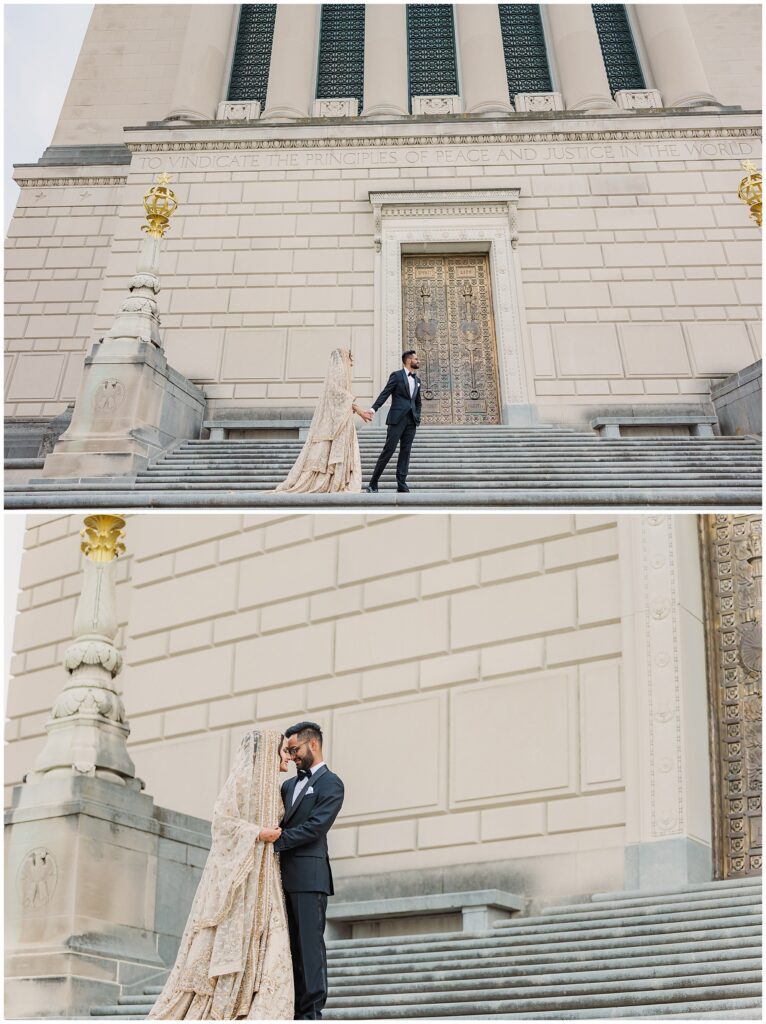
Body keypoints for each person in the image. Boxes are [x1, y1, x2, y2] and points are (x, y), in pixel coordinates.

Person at [148, 731, 294, 1020]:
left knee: (274, 948)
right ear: (268, 751)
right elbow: (222, 823)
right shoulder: (241, 782)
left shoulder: (276, 789)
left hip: (267, 880)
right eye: (284, 751)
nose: (288, 756)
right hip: (242, 882)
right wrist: (257, 833)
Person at [274, 722, 345, 1021]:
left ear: (312, 745)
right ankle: (290, 1009)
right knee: (287, 948)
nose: (292, 757)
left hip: (309, 877)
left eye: (295, 749)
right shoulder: (288, 786)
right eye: (288, 751)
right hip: (279, 879)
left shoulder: (332, 784)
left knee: (309, 948)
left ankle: (311, 1012)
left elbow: (316, 827)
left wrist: (277, 840)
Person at [274, 348, 372, 494]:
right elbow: (339, 395)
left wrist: (357, 410)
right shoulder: (335, 382)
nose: (352, 362)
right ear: (343, 360)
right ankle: (334, 482)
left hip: (344, 423)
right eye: (350, 358)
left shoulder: (341, 380)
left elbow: (343, 397)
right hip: (338, 425)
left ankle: (339, 481)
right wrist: (359, 411)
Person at [364, 349, 421, 493]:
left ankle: (401, 484)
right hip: (396, 420)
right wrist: (373, 410)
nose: (418, 361)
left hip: (411, 421)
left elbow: (418, 402)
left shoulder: (417, 380)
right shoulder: (396, 376)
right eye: (416, 359)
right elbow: (385, 393)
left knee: (405, 452)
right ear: (408, 360)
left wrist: (417, 416)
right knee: (388, 451)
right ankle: (373, 483)